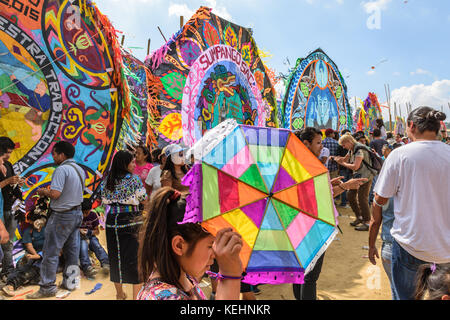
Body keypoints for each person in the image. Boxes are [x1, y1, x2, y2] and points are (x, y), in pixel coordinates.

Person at [372, 107, 450, 300]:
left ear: (411, 126)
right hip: (445, 250)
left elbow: (381, 199)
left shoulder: (399, 156)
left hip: (410, 246)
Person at [292, 128, 367, 300]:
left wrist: (329, 182)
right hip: (313, 226)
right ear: (306, 144)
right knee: (310, 277)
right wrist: (346, 186)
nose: (321, 146)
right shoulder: (311, 164)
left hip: (297, 224)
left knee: (299, 272)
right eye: (318, 142)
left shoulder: (295, 162)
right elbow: (317, 197)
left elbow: (307, 191)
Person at [137, 187, 243, 300]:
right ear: (179, 245)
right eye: (210, 245)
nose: (215, 254)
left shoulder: (185, 278)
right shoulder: (165, 297)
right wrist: (230, 275)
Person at [26, 141, 85, 299]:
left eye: (54, 154)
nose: (53, 157)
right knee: (72, 251)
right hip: (76, 213)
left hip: (62, 216)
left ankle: (47, 287)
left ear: (62, 155)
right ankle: (71, 283)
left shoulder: (61, 169)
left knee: (50, 252)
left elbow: (56, 194)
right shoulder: (79, 169)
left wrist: (43, 191)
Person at [101, 150, 148, 300]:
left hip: (112, 221)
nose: (134, 165)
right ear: (124, 164)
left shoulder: (107, 180)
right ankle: (136, 297)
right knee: (136, 258)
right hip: (132, 220)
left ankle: (119, 294)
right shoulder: (134, 180)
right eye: (132, 162)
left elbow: (104, 199)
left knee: (116, 257)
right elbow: (143, 199)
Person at [367, 143, 401, 299]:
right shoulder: (418, 190)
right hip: (419, 247)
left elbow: (374, 221)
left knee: (397, 291)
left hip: (391, 246)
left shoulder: (381, 194)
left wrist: (371, 246)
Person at [334, 133, 376, 231]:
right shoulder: (352, 148)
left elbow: (355, 166)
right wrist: (339, 160)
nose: (343, 147)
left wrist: (343, 163)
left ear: (349, 142)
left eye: (344, 145)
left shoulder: (359, 150)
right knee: (350, 195)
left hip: (365, 176)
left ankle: (367, 222)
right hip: (359, 176)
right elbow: (345, 159)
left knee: (362, 198)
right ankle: (359, 217)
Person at [1, 215, 46, 297]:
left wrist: (39, 256)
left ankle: (11, 284)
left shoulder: (47, 230)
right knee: (24, 265)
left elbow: (53, 248)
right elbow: (29, 246)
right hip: (32, 254)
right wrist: (35, 255)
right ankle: (11, 281)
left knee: (34, 270)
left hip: (45, 256)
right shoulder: (28, 231)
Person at [0, 137, 24, 280]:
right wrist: (8, 181)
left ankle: (7, 271)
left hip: (11, 208)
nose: (8, 156)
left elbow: (11, 185)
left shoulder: (8, 165)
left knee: (8, 242)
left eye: (9, 153)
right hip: (1, 209)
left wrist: (17, 183)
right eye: (6, 153)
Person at [79, 199, 109, 280]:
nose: (85, 215)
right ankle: (87, 267)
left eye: (87, 212)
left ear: (90, 210)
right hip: (80, 238)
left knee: (96, 244)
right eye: (83, 212)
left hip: (90, 236)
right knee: (83, 246)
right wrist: (79, 231)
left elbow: (97, 231)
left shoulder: (93, 215)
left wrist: (89, 232)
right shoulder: (76, 216)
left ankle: (106, 263)